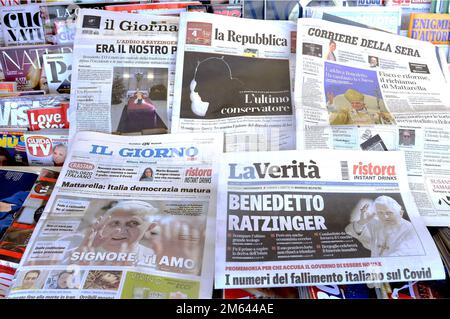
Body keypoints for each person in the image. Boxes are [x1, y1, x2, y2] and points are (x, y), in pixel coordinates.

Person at [345, 196, 423, 257]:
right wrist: (362, 222)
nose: (385, 216)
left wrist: (380, 267)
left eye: (389, 213)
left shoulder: (411, 230)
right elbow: (350, 231)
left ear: (400, 213)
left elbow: (403, 253)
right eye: (380, 213)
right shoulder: (379, 223)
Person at [328, 89, 395, 125]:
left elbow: (389, 118)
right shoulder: (346, 111)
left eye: (357, 103)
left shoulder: (373, 112)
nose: (354, 105)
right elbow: (336, 118)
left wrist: (384, 117)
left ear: (364, 104)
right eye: (352, 103)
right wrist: (331, 104)